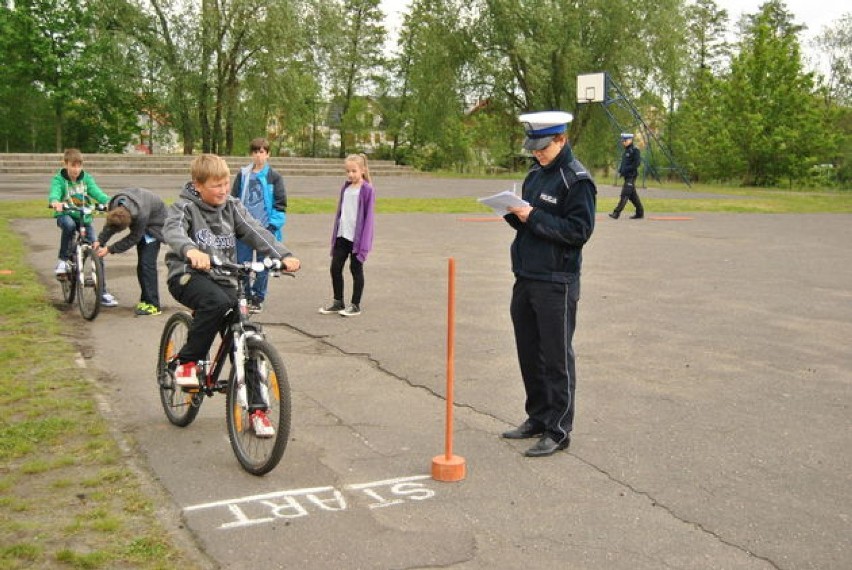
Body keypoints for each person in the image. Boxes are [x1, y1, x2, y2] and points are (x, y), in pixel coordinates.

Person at [163, 154, 300, 436]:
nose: (224, 190)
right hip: (188, 275)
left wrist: (283, 255)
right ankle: (187, 363)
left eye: (226, 184)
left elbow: (255, 232)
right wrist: (191, 251)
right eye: (216, 185)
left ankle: (258, 410)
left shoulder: (232, 207)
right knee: (217, 302)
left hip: (224, 276)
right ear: (197, 185)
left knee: (249, 336)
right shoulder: (184, 207)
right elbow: (173, 231)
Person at [501, 111, 597, 457]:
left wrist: (535, 217)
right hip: (527, 276)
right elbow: (531, 226)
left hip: (557, 280)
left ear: (562, 139)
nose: (537, 154)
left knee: (556, 357)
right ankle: (538, 416)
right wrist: (515, 216)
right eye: (534, 148)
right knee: (529, 352)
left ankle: (558, 429)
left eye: (543, 147)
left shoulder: (576, 181)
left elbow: (578, 232)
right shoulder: (535, 175)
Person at [48, 148, 118, 307]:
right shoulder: (59, 179)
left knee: (97, 248)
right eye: (73, 165)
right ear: (65, 164)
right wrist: (55, 202)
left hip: (84, 218)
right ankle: (63, 260)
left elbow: (97, 193)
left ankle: (102, 291)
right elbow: (54, 193)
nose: (76, 170)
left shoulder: (86, 179)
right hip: (66, 215)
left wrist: (110, 202)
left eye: (79, 166)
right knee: (69, 225)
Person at [231, 137, 288, 313]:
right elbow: (233, 199)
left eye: (262, 152)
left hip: (265, 229)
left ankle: (258, 297)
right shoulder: (243, 175)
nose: (258, 156)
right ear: (251, 154)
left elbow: (280, 204)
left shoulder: (274, 177)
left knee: (264, 265)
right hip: (244, 228)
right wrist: (235, 222)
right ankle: (245, 295)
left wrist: (272, 227)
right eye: (255, 152)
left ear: (268, 154)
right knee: (243, 264)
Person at [93, 187, 166, 316]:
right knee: (141, 266)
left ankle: (153, 305)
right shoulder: (114, 204)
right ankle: (145, 300)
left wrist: (110, 249)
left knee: (147, 265)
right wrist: (100, 240)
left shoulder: (140, 215)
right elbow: (111, 225)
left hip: (155, 224)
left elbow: (133, 238)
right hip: (144, 215)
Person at [318, 153, 376, 317]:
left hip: (357, 240)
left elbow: (368, 219)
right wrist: (336, 234)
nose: (350, 174)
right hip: (342, 236)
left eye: (354, 171)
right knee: (335, 268)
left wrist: (364, 244)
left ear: (362, 170)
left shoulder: (367, 190)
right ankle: (338, 302)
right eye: (348, 171)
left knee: (355, 269)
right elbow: (341, 213)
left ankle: (355, 305)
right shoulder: (346, 188)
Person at [609, 133, 644, 219]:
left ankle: (616, 213)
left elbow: (637, 163)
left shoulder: (635, 150)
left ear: (630, 140)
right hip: (627, 176)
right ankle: (640, 213)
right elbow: (624, 163)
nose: (623, 142)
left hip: (631, 176)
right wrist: (621, 170)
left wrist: (626, 169)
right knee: (633, 196)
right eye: (623, 141)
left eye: (625, 140)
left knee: (624, 194)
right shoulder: (626, 151)